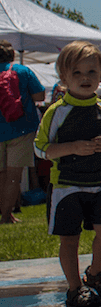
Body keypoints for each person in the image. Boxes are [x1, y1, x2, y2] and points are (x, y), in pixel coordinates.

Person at [34, 41, 101, 307]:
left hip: (100, 184)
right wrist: (70, 148)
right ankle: (75, 288)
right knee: (69, 238)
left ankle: (96, 273)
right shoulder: (56, 112)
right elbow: (40, 148)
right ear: (63, 78)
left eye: (91, 72)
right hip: (67, 186)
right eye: (77, 73)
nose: (85, 78)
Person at [0, 39, 45, 223]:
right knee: (14, 176)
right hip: (21, 128)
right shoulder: (23, 71)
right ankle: (5, 216)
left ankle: (6, 213)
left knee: (1, 174)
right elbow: (40, 95)